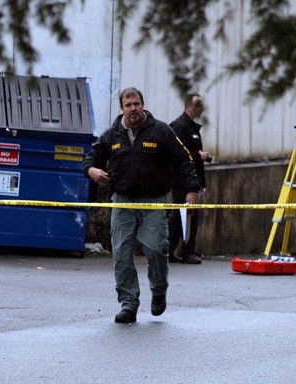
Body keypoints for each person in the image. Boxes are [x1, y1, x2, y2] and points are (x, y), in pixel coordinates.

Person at [83, 87, 200, 324]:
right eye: (128, 105)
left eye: (136, 104)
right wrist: (92, 170)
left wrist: (191, 190)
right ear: (121, 108)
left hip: (154, 202)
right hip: (122, 202)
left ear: (143, 104)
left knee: (156, 249)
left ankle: (158, 291)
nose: (133, 109)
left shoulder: (161, 131)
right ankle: (128, 304)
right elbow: (90, 159)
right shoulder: (111, 135)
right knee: (122, 255)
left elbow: (184, 160)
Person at [168, 93, 211, 264]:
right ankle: (175, 250)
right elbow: (177, 154)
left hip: (193, 180)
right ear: (188, 107)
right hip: (182, 180)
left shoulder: (192, 127)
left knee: (190, 215)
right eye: (198, 105)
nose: (202, 109)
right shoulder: (179, 126)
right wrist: (196, 155)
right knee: (180, 215)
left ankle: (185, 250)